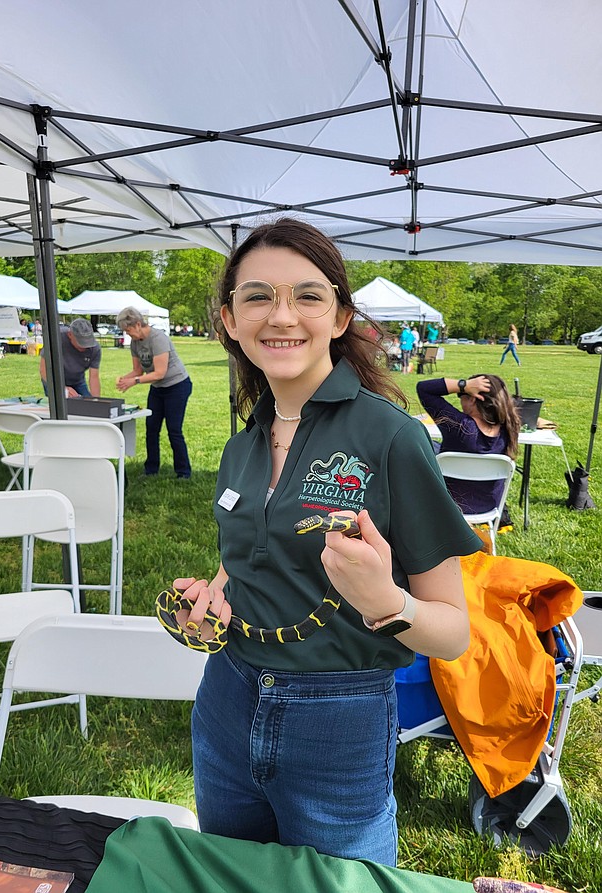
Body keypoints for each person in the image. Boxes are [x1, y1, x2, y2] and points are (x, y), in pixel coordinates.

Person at [169, 218, 481, 864]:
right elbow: (248, 553)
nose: (281, 315)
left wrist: (384, 600)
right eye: (257, 296)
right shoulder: (240, 444)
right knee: (233, 878)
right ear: (229, 318)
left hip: (338, 716)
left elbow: (453, 633)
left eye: (307, 295)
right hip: (226, 696)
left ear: (340, 317)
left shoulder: (392, 438)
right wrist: (218, 593)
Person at [416, 374, 521, 514]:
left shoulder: (460, 426)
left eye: (462, 396)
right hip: (490, 508)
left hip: (448, 507)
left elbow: (424, 388)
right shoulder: (509, 427)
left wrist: (463, 384)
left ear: (472, 398)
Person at [115, 306, 192, 478]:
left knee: (174, 429)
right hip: (158, 388)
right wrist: (124, 379)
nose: (127, 334)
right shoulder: (135, 343)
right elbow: (137, 371)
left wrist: (133, 382)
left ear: (137, 324)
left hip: (177, 385)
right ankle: (151, 469)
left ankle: (183, 472)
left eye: (128, 330)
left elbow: (160, 373)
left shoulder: (158, 338)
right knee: (151, 428)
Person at [39, 318, 101, 398]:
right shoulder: (56, 338)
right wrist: (63, 389)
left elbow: (94, 377)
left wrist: (96, 401)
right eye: (81, 342)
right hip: (53, 379)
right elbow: (44, 369)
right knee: (59, 407)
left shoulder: (95, 348)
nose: (85, 346)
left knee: (87, 404)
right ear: (70, 335)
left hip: (77, 381)